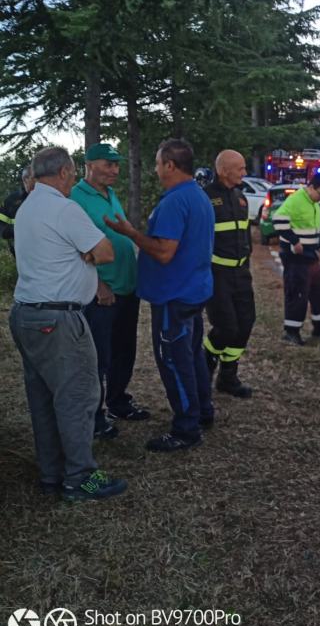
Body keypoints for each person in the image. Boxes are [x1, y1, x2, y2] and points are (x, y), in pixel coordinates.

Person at [9, 147, 126, 501]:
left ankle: (52, 473)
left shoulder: (28, 206)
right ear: (62, 172)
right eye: (72, 174)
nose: (73, 180)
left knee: (44, 398)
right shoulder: (64, 208)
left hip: (27, 314)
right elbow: (106, 251)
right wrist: (86, 252)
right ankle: (80, 479)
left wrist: (78, 252)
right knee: (77, 397)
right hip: (58, 320)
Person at [106, 139, 215, 451]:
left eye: (157, 164)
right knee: (191, 356)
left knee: (173, 360)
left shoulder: (174, 202)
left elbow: (165, 252)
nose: (154, 170)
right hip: (192, 292)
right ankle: (202, 411)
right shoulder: (197, 195)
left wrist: (131, 233)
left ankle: (186, 429)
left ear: (170, 165)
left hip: (174, 295)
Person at [71, 143, 147, 440]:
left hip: (127, 287)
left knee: (124, 350)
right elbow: (76, 249)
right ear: (89, 164)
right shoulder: (75, 198)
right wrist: (99, 285)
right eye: (108, 164)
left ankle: (117, 402)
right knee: (98, 357)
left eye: (117, 164)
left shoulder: (110, 194)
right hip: (103, 292)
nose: (115, 170)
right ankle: (94, 416)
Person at [203, 150, 256, 398]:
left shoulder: (240, 197)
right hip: (217, 274)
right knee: (226, 327)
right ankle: (204, 367)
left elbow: (245, 234)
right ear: (224, 170)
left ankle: (228, 376)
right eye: (240, 168)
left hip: (241, 273)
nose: (244, 173)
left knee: (245, 323)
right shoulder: (206, 198)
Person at [273, 172, 320, 345]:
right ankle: (291, 332)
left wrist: (319, 246)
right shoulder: (296, 200)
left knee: (319, 292)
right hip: (296, 258)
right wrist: (294, 241)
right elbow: (278, 220)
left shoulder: (313, 203)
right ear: (311, 187)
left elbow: (314, 229)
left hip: (310, 256)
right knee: (297, 294)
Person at [0, 165, 35, 256]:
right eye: (34, 178)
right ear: (25, 179)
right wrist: (15, 230)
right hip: (21, 251)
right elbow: (2, 226)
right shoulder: (11, 200)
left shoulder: (47, 196)